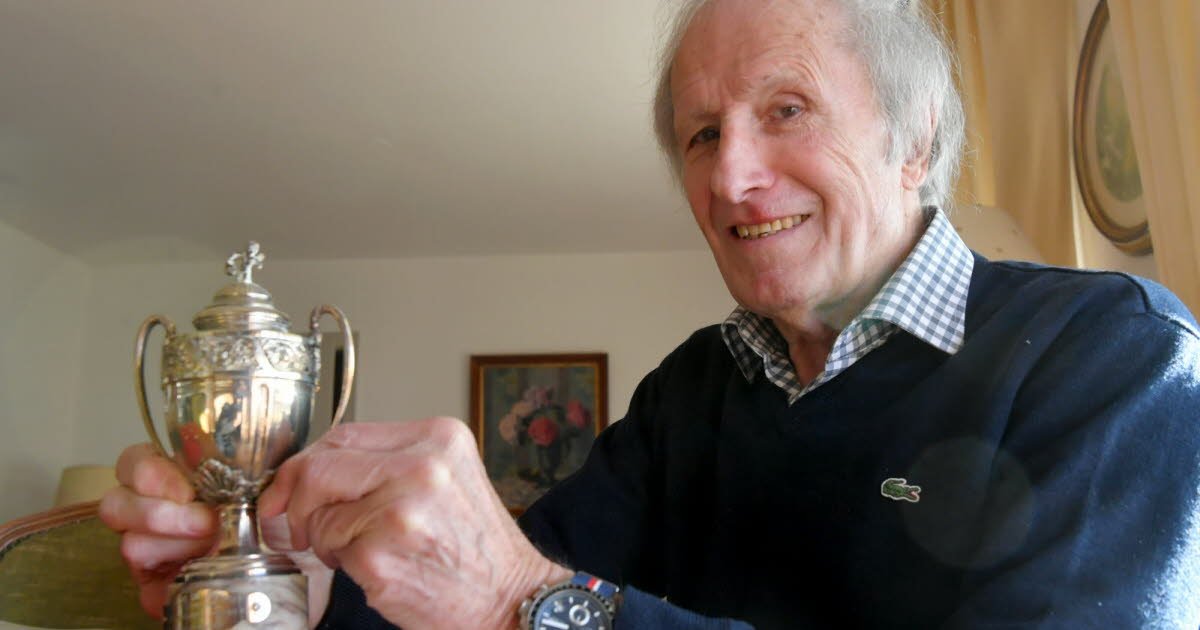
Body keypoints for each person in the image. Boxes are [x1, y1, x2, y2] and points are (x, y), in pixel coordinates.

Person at [100, 0, 1200, 627]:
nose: (731, 179)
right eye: (702, 135)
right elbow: (487, 594)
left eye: (786, 109)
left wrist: (524, 601)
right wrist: (300, 582)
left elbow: (518, 596)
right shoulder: (693, 391)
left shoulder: (1117, 356)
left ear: (915, 142)